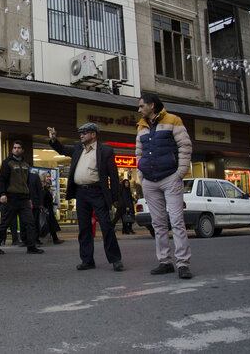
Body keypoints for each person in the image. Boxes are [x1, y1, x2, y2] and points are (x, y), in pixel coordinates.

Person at [48, 123, 124, 271]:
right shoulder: (78, 148)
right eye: (80, 133)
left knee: (106, 226)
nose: (81, 135)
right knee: (84, 228)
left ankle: (115, 259)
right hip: (81, 194)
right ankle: (87, 260)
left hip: (97, 192)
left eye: (84, 133)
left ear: (93, 134)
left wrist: (115, 198)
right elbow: (63, 150)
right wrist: (54, 139)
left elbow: (113, 177)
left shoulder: (105, 151)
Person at [136, 93, 193, 279]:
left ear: (152, 106)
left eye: (141, 106)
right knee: (158, 224)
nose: (139, 110)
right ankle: (165, 262)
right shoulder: (141, 126)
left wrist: (179, 174)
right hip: (150, 181)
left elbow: (185, 146)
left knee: (176, 222)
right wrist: (141, 176)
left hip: (170, 178)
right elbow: (139, 152)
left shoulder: (173, 120)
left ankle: (183, 263)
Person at [0, 140, 44, 255]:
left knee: (30, 222)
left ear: (22, 150)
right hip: (11, 198)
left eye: (19, 147)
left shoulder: (26, 164)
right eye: (15, 147)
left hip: (24, 199)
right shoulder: (7, 163)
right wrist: (2, 194)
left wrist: (30, 197)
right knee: (5, 223)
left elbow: (28, 181)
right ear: (12, 149)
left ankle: (31, 246)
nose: (17, 149)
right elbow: (2, 179)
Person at [40, 171, 64, 244]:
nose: (48, 178)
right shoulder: (42, 188)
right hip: (46, 208)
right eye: (47, 176)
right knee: (47, 223)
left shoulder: (47, 187)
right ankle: (54, 239)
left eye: (49, 176)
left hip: (49, 208)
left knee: (51, 223)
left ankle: (55, 238)